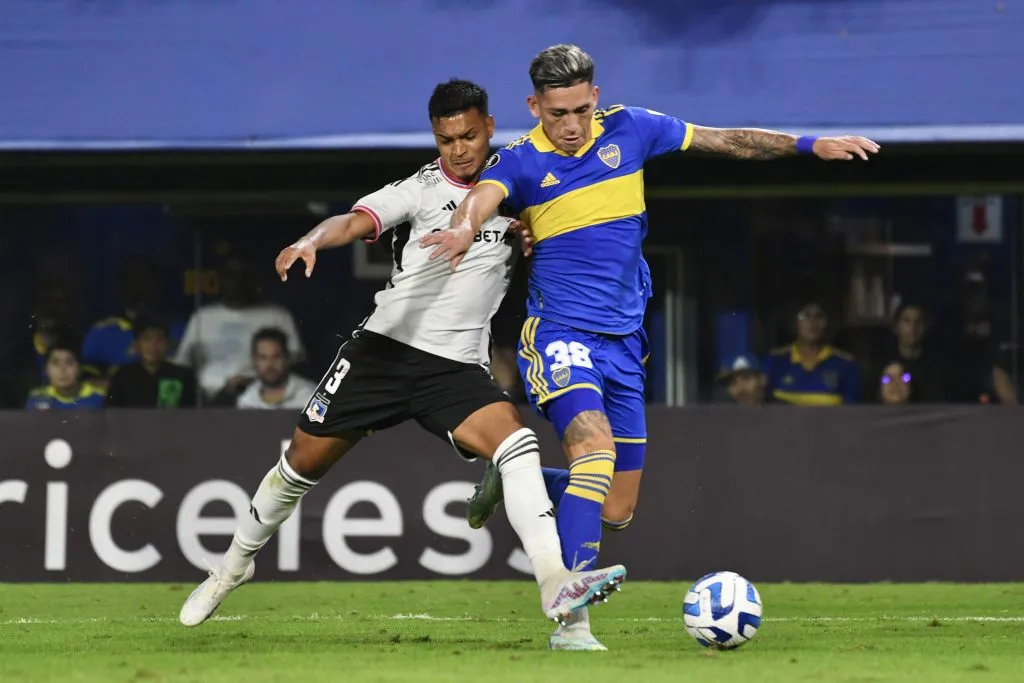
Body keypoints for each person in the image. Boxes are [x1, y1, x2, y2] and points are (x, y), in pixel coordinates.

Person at [424, 44, 879, 649]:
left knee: (617, 507)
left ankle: (517, 477)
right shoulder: (524, 161)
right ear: (535, 106)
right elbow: (485, 193)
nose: (570, 125)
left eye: (580, 110)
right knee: (595, 449)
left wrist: (806, 145)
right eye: (557, 113)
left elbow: (726, 141)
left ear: (595, 96)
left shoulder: (632, 129)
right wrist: (461, 224)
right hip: (559, 334)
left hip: (624, 346)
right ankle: (571, 619)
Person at [178, 79, 626, 638]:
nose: (458, 150)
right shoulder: (418, 190)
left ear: (489, 127)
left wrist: (536, 233)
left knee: (519, 443)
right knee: (298, 466)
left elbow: (561, 223)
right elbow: (352, 221)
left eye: (467, 136)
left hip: (455, 368)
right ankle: (231, 567)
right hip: (382, 353)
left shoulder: (518, 181)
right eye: (445, 141)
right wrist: (313, 240)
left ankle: (553, 580)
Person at [106, 316, 198, 408]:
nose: (153, 346)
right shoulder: (122, 376)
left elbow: (194, 414)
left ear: (168, 344)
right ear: (136, 344)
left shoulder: (184, 377)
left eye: (159, 340)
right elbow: (110, 411)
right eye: (147, 339)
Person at [235, 328, 317, 410]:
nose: (270, 365)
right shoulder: (247, 401)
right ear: (254, 360)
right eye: (263, 358)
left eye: (276, 357)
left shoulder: (310, 395)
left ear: (287, 358)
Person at [25, 335, 105, 411]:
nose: (62, 369)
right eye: (55, 363)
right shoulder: (37, 398)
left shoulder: (98, 397)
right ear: (46, 369)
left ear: (80, 368)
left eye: (69, 363)